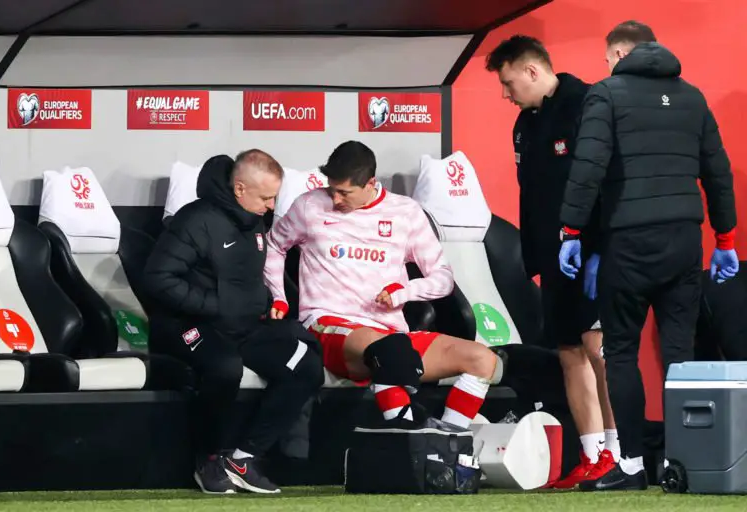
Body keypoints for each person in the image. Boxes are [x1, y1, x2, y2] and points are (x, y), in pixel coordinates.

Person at [558, 21, 739, 491]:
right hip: (684, 240)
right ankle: (681, 464)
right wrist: (725, 239)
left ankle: (633, 465)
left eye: (607, 58)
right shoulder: (692, 97)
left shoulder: (606, 94)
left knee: (621, 351)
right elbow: (717, 172)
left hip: (629, 241)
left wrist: (571, 230)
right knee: (680, 355)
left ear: (620, 54)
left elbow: (588, 166)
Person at [264, 140, 504, 432]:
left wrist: (405, 292)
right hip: (329, 323)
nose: (335, 199)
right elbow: (273, 246)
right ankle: (411, 435)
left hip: (391, 334)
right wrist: (279, 297)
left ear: (370, 183)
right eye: (332, 189)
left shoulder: (406, 212)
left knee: (483, 359)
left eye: (344, 192)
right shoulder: (309, 205)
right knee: (388, 353)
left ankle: (447, 438)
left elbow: (443, 278)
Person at [144, 151, 324, 495]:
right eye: (266, 197)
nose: (271, 207)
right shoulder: (195, 219)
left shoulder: (253, 220)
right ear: (239, 188)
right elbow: (158, 278)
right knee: (225, 368)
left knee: (305, 366)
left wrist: (267, 303)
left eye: (274, 197)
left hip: (241, 326)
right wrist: (216, 305)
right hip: (187, 325)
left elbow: (244, 279)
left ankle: (243, 459)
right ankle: (209, 458)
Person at [485, 35, 619, 488]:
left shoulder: (590, 105)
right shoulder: (525, 124)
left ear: (532, 71)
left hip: (592, 253)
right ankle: (592, 455)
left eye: (509, 83)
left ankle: (621, 454)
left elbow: (607, 184)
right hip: (553, 257)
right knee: (569, 353)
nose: (506, 94)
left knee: (599, 350)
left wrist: (600, 249)